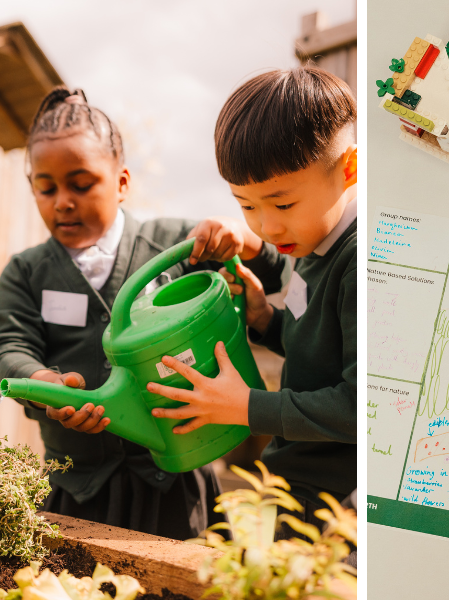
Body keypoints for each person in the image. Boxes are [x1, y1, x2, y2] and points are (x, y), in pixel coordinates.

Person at [0, 87, 286, 540]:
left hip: (178, 482)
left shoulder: (175, 243)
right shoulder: (26, 273)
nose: (63, 201)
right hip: (77, 490)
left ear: (122, 182)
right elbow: (9, 345)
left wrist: (243, 241)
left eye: (81, 184)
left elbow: (275, 273)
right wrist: (45, 386)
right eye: (45, 189)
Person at [149, 66, 356, 530]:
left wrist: (247, 407)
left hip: (336, 509)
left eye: (282, 205)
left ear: (349, 169)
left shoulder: (362, 259)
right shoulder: (313, 240)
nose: (267, 226)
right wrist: (266, 319)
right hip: (292, 484)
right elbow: (320, 352)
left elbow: (362, 406)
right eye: (246, 205)